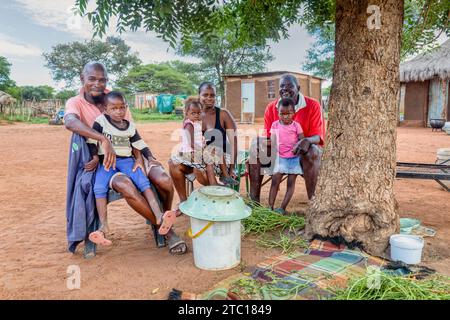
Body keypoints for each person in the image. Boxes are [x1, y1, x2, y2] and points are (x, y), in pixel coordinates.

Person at [64, 62, 186, 255]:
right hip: (105, 162)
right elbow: (69, 121)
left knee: (163, 180)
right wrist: (102, 140)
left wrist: (143, 158)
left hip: (131, 155)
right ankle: (166, 230)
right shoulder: (75, 102)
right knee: (126, 185)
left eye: (102, 79)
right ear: (82, 79)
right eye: (92, 79)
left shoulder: (115, 99)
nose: (97, 83)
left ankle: (159, 216)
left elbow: (132, 134)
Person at [86, 91, 176, 246]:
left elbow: (140, 145)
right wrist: (95, 157)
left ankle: (159, 215)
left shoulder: (129, 126)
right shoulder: (101, 122)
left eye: (122, 108)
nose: (119, 111)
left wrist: (150, 158)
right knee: (99, 188)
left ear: (126, 107)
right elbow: (91, 141)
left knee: (143, 182)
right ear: (105, 109)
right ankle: (103, 227)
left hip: (127, 161)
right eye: (114, 108)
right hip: (106, 163)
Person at [248, 74, 325, 203]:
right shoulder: (272, 108)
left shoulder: (313, 105)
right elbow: (269, 138)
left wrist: (307, 140)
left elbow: (318, 137)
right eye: (282, 86)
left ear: (298, 88)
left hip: (303, 155)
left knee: (313, 150)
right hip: (280, 153)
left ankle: (314, 204)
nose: (285, 89)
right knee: (256, 144)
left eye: (290, 86)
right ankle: (253, 202)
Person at [169, 82, 238, 206]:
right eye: (205, 95)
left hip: (220, 157)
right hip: (200, 154)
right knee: (173, 163)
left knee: (199, 168)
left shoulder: (223, 114)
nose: (209, 98)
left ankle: (216, 193)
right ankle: (184, 202)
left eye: (212, 95)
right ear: (199, 95)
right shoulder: (192, 116)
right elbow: (188, 140)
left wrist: (232, 167)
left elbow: (234, 142)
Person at [268, 98, 305, 214]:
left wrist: (297, 146)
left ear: (294, 112)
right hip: (281, 157)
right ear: (278, 113)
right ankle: (270, 206)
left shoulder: (296, 126)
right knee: (275, 181)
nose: (285, 116)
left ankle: (282, 208)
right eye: (282, 114)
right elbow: (272, 142)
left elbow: (302, 140)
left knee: (290, 183)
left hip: (294, 159)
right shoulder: (275, 125)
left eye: (288, 113)